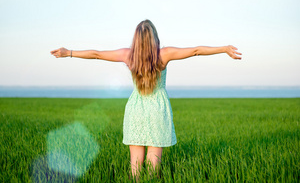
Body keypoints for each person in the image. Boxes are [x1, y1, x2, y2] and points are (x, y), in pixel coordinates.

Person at [50, 19, 242, 180]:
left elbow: (97, 54)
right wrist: (224, 48)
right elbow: (195, 51)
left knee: (135, 164)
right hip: (157, 109)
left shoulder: (128, 55)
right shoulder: (164, 54)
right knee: (153, 164)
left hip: (135, 109)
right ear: (154, 37)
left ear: (136, 39)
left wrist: (69, 53)